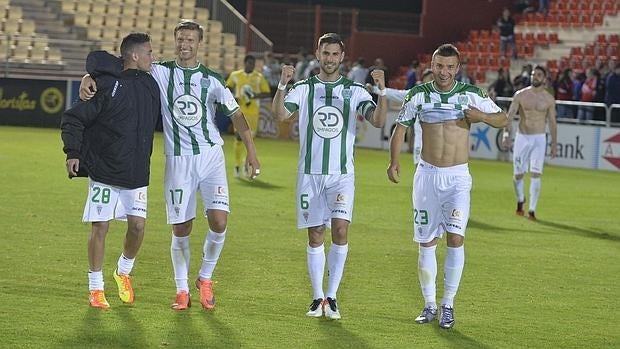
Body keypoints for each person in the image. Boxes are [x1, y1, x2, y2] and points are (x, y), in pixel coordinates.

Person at [79, 20, 261, 311]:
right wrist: (89, 75)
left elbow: (236, 114)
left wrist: (251, 150)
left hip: (211, 156)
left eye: (190, 40)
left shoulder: (212, 78)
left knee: (219, 220)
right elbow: (123, 62)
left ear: (199, 43)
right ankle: (181, 289)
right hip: (178, 160)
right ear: (175, 41)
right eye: (180, 39)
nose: (184, 44)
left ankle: (205, 278)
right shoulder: (160, 72)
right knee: (181, 227)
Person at [387, 44, 508, 329]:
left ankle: (448, 305)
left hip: (457, 177)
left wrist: (482, 118)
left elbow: (503, 118)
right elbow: (400, 128)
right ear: (433, 65)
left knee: (456, 238)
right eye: (439, 66)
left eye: (449, 67)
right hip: (427, 176)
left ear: (457, 67)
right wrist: (393, 161)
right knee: (426, 242)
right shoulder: (418, 95)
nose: (444, 72)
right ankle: (429, 304)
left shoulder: (471, 94)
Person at [272, 33, 387, 320]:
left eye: (335, 54)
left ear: (342, 56)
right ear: (318, 54)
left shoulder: (354, 90)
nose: (330, 59)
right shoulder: (304, 88)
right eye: (326, 53)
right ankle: (316, 297)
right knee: (316, 234)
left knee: (340, 230)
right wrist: (282, 85)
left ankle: (332, 297)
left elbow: (378, 120)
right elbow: (281, 115)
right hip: (310, 173)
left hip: (341, 174)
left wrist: (382, 92)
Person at [61, 33, 160, 309]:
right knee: (100, 226)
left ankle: (123, 272)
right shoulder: (106, 85)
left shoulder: (152, 84)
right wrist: (73, 153)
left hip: (137, 171)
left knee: (138, 227)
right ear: (136, 56)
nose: (154, 57)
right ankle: (95, 288)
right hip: (105, 170)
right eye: (150, 53)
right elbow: (74, 118)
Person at [502, 65, 557, 220]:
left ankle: (532, 210)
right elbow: (510, 115)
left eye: (539, 74)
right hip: (522, 137)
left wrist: (554, 143)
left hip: (539, 138)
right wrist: (506, 133)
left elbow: (552, 122)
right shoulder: (521, 95)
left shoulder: (548, 99)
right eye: (534, 74)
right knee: (518, 175)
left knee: (536, 174)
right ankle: (520, 199)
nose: (535, 77)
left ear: (544, 78)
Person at [226, 54, 271, 178]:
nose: (251, 65)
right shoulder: (235, 75)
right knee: (239, 138)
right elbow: (227, 87)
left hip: (253, 113)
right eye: (249, 63)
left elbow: (267, 93)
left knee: (249, 142)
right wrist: (233, 97)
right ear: (245, 63)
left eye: (253, 63)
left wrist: (254, 96)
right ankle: (236, 166)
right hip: (239, 112)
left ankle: (246, 167)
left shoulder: (258, 77)